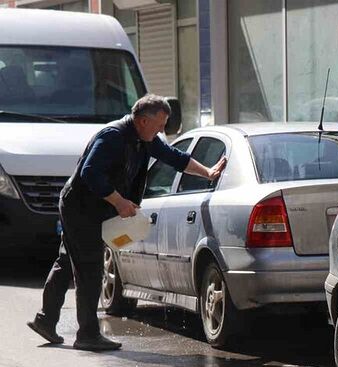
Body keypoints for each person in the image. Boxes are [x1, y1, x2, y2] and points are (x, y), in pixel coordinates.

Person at [27, 94, 227, 351]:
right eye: (158, 125)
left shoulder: (144, 138)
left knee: (68, 260)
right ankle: (87, 334)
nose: (161, 131)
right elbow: (90, 172)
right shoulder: (113, 137)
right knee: (90, 267)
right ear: (143, 120)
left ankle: (45, 320)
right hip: (80, 207)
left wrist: (208, 172)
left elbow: (175, 157)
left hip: (94, 206)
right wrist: (119, 201)